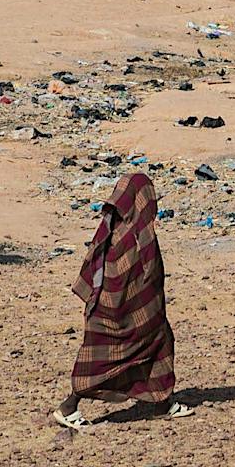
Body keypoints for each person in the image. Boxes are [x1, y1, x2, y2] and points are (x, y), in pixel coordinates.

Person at [54, 171, 177, 428]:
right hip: (122, 315)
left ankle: (162, 402)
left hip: (110, 309)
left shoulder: (111, 229)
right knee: (108, 361)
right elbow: (147, 277)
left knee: (160, 342)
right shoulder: (138, 237)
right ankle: (69, 405)